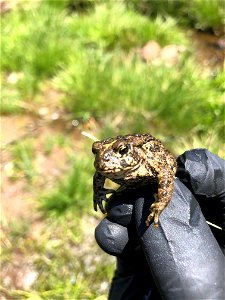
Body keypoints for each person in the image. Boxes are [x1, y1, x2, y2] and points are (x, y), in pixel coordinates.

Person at [95, 149, 225, 300]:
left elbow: (165, 171)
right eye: (96, 152)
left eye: (122, 150)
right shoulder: (106, 162)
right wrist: (99, 193)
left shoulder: (147, 160)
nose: (103, 157)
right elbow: (99, 172)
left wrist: (162, 201)